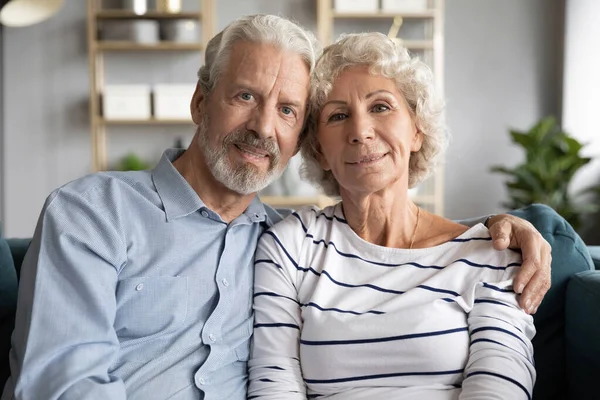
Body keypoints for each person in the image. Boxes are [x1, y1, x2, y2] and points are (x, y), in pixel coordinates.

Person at [2, 15, 548, 400]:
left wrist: (504, 226)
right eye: (245, 96)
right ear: (199, 102)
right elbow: (63, 384)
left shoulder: (280, 239)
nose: (264, 127)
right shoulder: (94, 214)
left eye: (288, 110)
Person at [249, 32, 537, 399]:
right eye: (338, 116)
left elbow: (500, 389)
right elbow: (274, 382)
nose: (360, 131)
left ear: (416, 130)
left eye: (380, 107)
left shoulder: (490, 252)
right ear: (319, 151)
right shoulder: (292, 247)